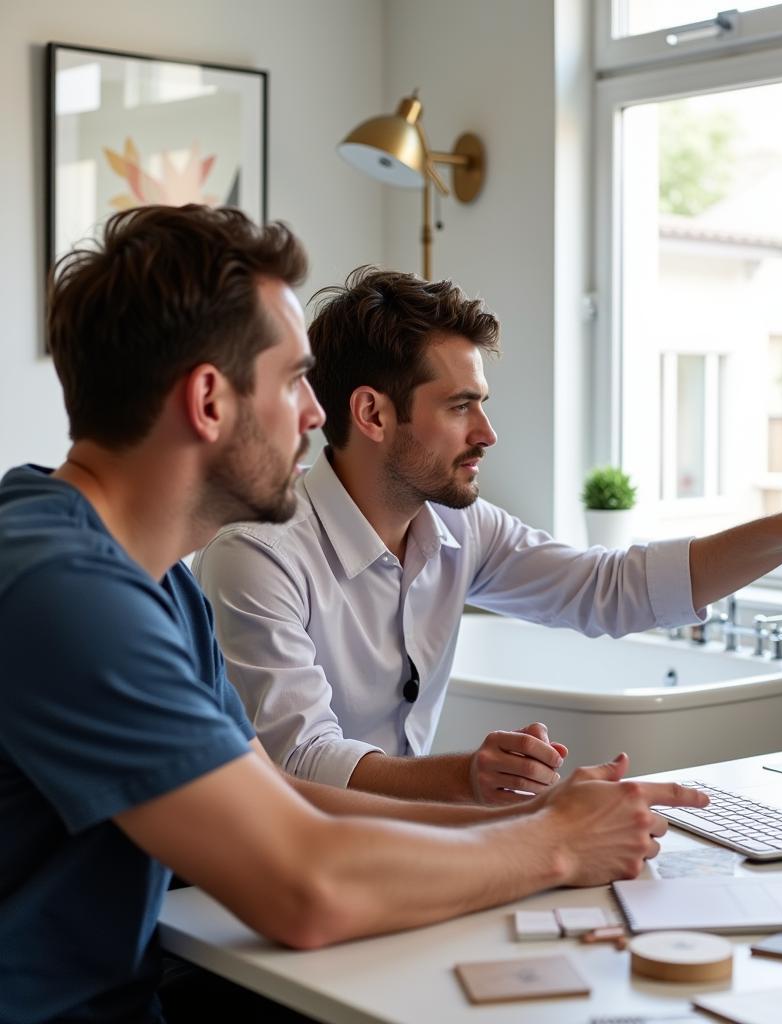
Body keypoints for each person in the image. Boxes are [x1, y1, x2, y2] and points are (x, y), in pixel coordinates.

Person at [0, 206, 709, 1024]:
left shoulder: (150, 583)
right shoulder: (65, 592)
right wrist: (553, 846)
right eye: (295, 379)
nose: (315, 413)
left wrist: (532, 815)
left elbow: (280, 795)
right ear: (207, 400)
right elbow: (307, 888)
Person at [196, 265, 782, 805]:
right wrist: (470, 777)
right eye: (460, 407)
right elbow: (298, 762)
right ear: (374, 415)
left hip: (401, 839)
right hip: (279, 880)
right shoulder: (257, 555)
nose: (487, 434)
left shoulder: (459, 526)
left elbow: (615, 590)